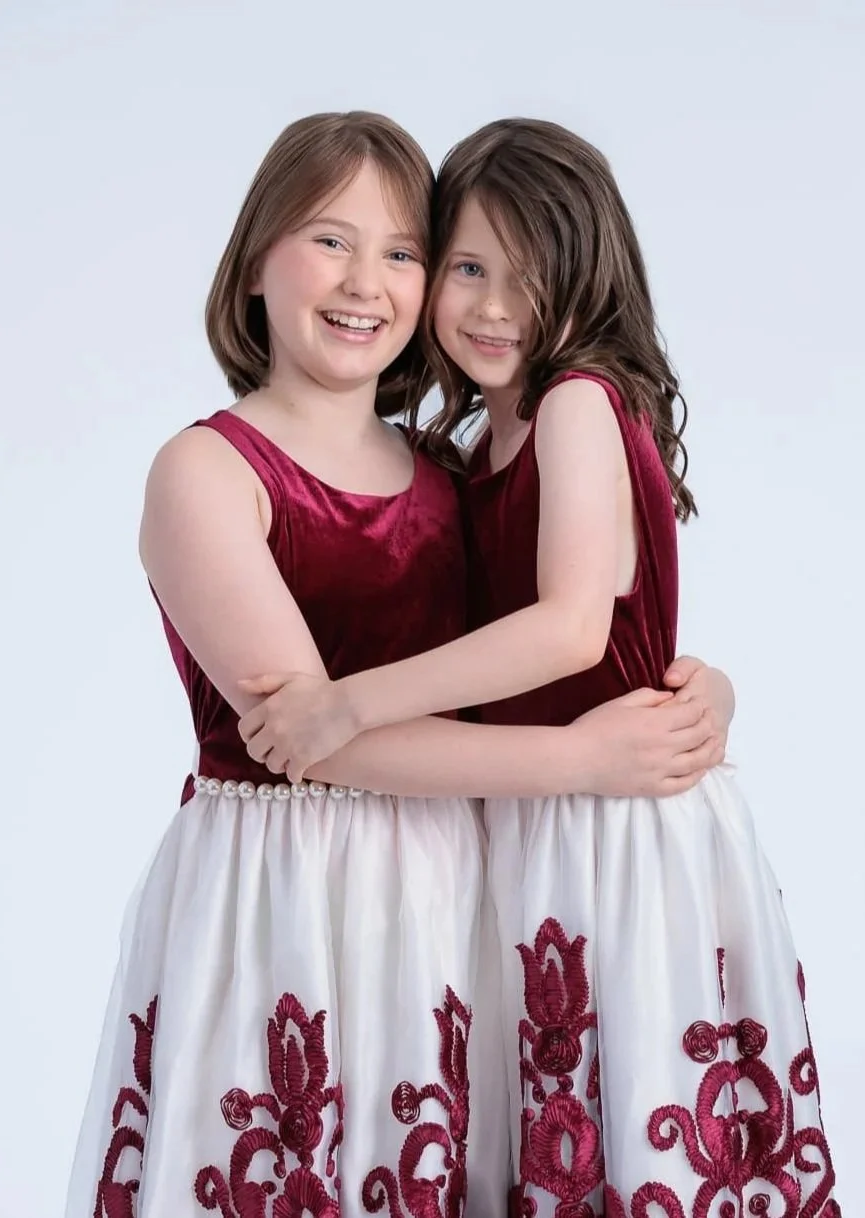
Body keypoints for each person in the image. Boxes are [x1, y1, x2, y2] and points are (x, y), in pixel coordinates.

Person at [239, 119, 840, 1215]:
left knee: (639, 1120)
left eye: (529, 273)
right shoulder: (477, 448)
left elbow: (572, 628)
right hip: (537, 817)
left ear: (589, 272)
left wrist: (343, 706)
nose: (492, 306)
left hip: (616, 827)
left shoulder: (574, 403)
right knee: (554, 1136)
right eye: (465, 268)